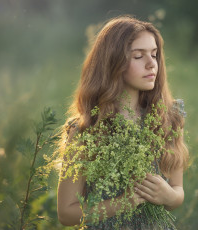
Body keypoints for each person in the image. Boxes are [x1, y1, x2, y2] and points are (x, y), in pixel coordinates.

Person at [56, 15, 189, 229]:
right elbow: (66, 214)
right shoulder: (86, 129)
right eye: (138, 56)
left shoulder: (169, 118)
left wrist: (168, 197)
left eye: (154, 55)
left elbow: (178, 191)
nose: (151, 64)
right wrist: (123, 203)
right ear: (113, 62)